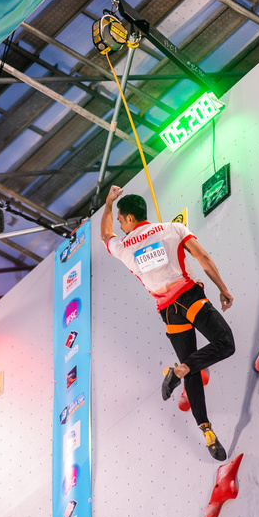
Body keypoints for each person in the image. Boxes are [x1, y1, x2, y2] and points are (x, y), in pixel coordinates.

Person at [100, 185, 235, 460]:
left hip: (168, 312)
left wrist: (107, 203)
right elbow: (204, 258)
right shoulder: (173, 229)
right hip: (190, 298)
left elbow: (105, 234)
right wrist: (223, 288)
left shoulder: (124, 246)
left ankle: (206, 428)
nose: (122, 226)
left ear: (126, 218)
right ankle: (180, 370)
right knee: (225, 344)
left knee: (192, 370)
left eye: (122, 220)